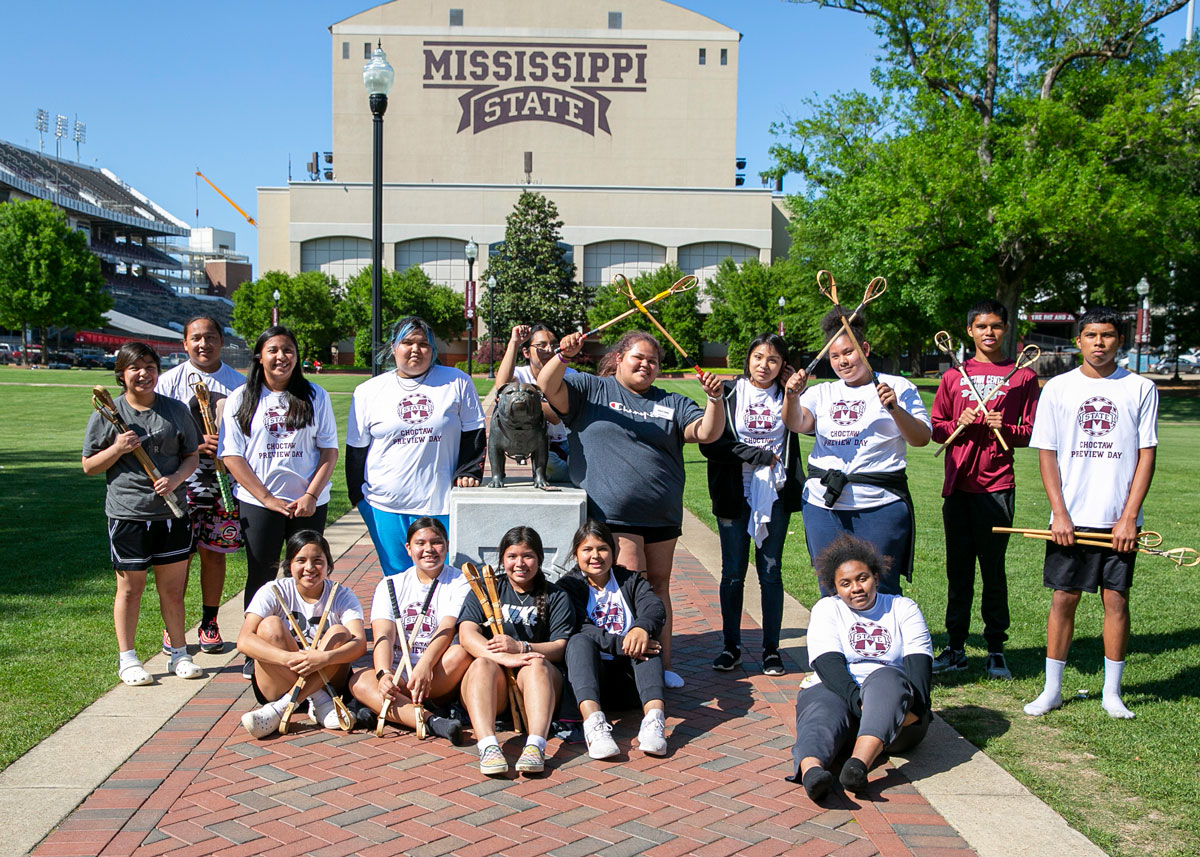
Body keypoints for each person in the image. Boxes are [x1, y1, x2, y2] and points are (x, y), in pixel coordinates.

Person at [542, 330, 725, 687]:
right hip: (612, 514)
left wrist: (715, 400)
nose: (646, 364)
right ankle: (633, 672)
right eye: (638, 357)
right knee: (631, 589)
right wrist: (563, 356)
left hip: (662, 513)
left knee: (658, 587)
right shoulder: (593, 390)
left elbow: (706, 433)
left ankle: (663, 666)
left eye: (653, 361)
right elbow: (547, 385)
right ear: (620, 358)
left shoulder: (671, 402)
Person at [1024, 307, 1158, 720]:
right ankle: (1052, 689)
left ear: (1121, 340)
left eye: (1108, 335)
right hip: (1070, 517)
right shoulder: (1058, 388)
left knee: (1116, 599)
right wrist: (1059, 514)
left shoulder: (1140, 388)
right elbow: (1047, 455)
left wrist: (1129, 517)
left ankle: (1112, 692)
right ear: (1077, 340)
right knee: (1064, 598)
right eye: (1091, 335)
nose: (1099, 343)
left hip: (1118, 519)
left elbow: (1145, 455)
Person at [219, 326, 339, 678]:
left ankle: (305, 641)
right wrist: (267, 498)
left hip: (307, 503)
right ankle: (257, 649)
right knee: (262, 574)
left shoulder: (315, 395)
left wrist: (311, 495)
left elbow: (329, 451)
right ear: (260, 356)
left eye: (288, 350)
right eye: (273, 350)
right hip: (259, 504)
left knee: (305, 572)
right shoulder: (242, 397)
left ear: (297, 356)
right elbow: (232, 456)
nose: (281, 357)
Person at [930, 300, 1040, 679]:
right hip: (958, 485)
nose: (988, 333)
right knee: (958, 571)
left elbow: (1030, 433)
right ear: (969, 331)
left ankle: (995, 649)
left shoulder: (1021, 376)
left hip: (997, 486)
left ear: (1005, 329)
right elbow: (935, 427)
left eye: (995, 326)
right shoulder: (954, 376)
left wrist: (1005, 427)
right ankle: (956, 647)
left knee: (993, 570)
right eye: (981, 326)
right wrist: (956, 423)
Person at [82, 341, 201, 685]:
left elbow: (191, 455)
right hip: (128, 513)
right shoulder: (108, 413)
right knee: (131, 589)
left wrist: (175, 478)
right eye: (135, 368)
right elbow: (89, 465)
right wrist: (118, 448)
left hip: (171, 512)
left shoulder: (176, 410)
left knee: (173, 590)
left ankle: (179, 653)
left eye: (150, 366)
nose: (143, 374)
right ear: (121, 374)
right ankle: (128, 659)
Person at [791, 309, 931, 596]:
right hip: (824, 505)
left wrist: (894, 408)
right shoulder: (821, 392)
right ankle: (836, 642)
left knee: (882, 587)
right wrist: (791, 396)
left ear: (864, 349)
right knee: (831, 587)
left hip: (881, 505)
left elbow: (921, 438)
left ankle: (884, 641)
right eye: (835, 356)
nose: (843, 361)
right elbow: (796, 423)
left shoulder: (898, 387)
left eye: (849, 352)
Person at [789, 535, 933, 800]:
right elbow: (827, 663)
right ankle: (812, 772)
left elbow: (920, 670)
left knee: (887, 676)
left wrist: (916, 710)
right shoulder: (827, 609)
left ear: (876, 577)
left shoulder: (903, 608)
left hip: (893, 710)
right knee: (821, 704)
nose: (855, 588)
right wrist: (858, 704)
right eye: (845, 583)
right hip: (843, 695)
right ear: (835, 588)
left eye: (862, 578)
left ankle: (857, 766)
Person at [346, 316, 485, 577]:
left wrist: (469, 471)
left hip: (440, 503)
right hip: (385, 504)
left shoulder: (456, 381)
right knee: (398, 577)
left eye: (423, 344)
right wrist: (360, 499)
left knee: (441, 576)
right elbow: (356, 451)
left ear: (432, 350)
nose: (415, 349)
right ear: (393, 347)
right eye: (407, 342)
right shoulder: (368, 391)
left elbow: (474, 432)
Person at [700, 333, 805, 676]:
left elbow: (802, 427)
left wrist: (793, 390)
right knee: (732, 573)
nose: (764, 365)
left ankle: (771, 650)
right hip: (733, 494)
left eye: (773, 360)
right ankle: (731, 647)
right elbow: (710, 444)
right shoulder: (728, 392)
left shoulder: (788, 397)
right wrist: (756, 455)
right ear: (748, 358)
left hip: (773, 496)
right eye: (758, 357)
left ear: (783, 365)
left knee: (771, 573)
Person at [155, 315, 246, 654]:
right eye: (196, 338)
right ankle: (173, 624)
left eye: (210, 337)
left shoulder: (239, 384)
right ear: (185, 343)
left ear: (222, 341)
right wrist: (193, 444)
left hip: (225, 482)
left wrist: (224, 445)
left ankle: (210, 621)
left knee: (214, 553)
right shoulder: (168, 383)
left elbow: (249, 432)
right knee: (179, 557)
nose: (203, 344)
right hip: (183, 481)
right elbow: (158, 432)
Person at [457, 526, 576, 775]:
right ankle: (488, 746)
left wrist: (521, 648)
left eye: (528, 556)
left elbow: (560, 647)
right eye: (512, 556)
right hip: (495, 685)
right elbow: (467, 635)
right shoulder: (487, 591)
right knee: (480, 664)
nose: (520, 563)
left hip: (537, 683)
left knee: (536, 664)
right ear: (502, 559)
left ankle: (535, 745)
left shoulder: (556, 595)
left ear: (539, 559)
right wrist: (502, 657)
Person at [349, 518, 472, 742]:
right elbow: (383, 635)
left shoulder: (460, 581)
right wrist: (384, 673)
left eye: (436, 542)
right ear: (408, 548)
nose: (428, 550)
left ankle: (385, 708)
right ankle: (433, 722)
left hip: (435, 670)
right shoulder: (390, 584)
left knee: (461, 653)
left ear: (446, 544)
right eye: (420, 543)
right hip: (399, 671)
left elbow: (446, 627)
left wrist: (425, 665)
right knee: (358, 681)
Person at [236, 530, 366, 737]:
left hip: (329, 680)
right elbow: (244, 640)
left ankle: (280, 709)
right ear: (289, 565)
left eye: (317, 561)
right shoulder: (273, 590)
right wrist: (289, 658)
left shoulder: (341, 594)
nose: (309, 568)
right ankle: (318, 701)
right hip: (280, 682)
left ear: (328, 564)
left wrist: (324, 658)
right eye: (301, 560)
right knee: (269, 625)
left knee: (340, 633)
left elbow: (360, 643)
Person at [558, 520, 668, 760]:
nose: (595, 556)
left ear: (613, 552)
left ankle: (654, 721)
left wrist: (640, 628)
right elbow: (579, 626)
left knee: (647, 642)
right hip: (589, 681)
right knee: (578, 641)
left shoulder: (630, 580)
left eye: (602, 548)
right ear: (576, 554)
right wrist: (623, 643)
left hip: (630, 681)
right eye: (587, 550)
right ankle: (594, 725)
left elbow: (655, 608)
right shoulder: (568, 587)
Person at [494, 323, 575, 482]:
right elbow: (501, 389)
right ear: (526, 352)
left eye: (553, 345)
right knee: (553, 469)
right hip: (538, 445)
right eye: (541, 345)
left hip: (569, 441)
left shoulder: (570, 376)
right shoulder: (520, 375)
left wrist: (528, 403)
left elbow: (556, 415)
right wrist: (514, 343)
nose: (549, 350)